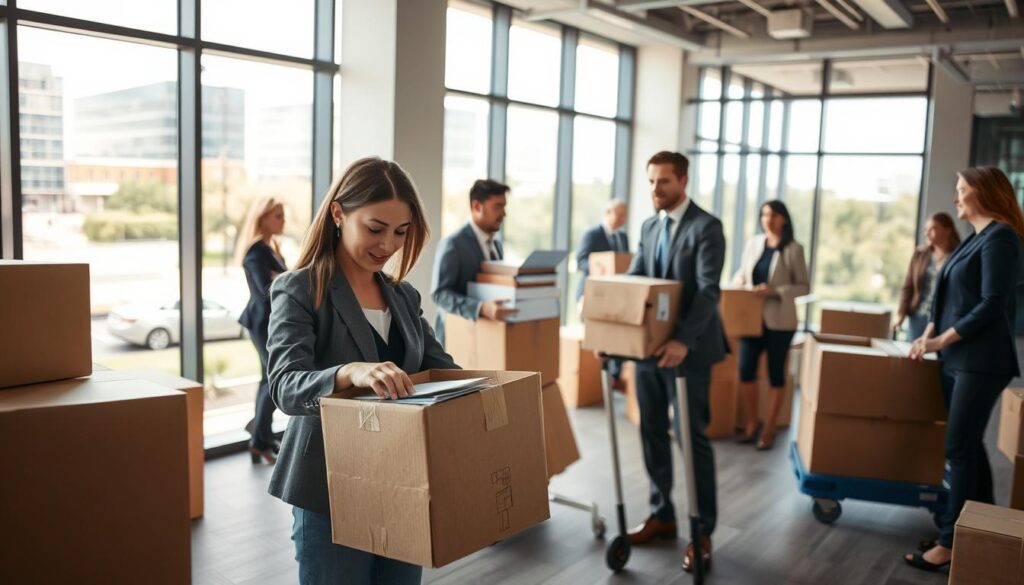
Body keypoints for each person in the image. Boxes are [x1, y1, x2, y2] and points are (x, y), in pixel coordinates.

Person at [266, 157, 458, 584]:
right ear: (338, 213)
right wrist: (349, 372)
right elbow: (284, 386)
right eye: (375, 228)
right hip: (330, 490)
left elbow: (444, 371)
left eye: (400, 232)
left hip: (402, 482)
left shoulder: (403, 296)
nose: (388, 244)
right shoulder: (299, 289)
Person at [905, 166, 1024, 573]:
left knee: (958, 447)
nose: (955, 198)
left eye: (961, 190)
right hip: (958, 360)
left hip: (981, 362)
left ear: (983, 193)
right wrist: (931, 334)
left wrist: (941, 340)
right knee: (970, 447)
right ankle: (984, 532)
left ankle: (950, 543)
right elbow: (949, 296)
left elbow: (991, 303)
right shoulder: (976, 239)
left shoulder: (1002, 237)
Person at [625, 151, 727, 574]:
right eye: (651, 182)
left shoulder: (707, 227)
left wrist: (683, 340)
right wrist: (610, 328)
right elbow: (635, 281)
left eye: (663, 182)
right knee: (651, 429)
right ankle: (663, 514)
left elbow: (707, 291)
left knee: (691, 438)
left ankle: (701, 531)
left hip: (689, 350)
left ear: (683, 181)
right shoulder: (650, 226)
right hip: (650, 350)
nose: (655, 189)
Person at [732, 200, 808, 451]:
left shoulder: (793, 249)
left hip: (780, 321)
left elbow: (804, 286)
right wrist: (739, 283)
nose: (768, 219)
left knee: (776, 374)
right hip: (751, 318)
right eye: (764, 214)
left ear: (783, 219)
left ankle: (770, 427)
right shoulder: (754, 244)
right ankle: (752, 422)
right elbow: (742, 272)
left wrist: (776, 291)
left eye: (773, 215)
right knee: (745, 370)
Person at [431, 179, 516, 346]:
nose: (504, 213)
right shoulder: (453, 244)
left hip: (486, 337)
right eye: (497, 206)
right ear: (477, 207)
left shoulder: (497, 245)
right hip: (456, 338)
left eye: (504, 206)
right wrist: (481, 308)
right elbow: (440, 294)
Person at [236, 196, 288, 464]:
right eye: (278, 215)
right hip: (261, 322)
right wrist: (283, 279)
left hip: (272, 322)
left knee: (267, 379)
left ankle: (259, 432)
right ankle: (260, 440)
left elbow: (280, 283)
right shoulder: (256, 251)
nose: (283, 221)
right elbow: (265, 290)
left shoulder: (272, 248)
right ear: (263, 218)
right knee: (272, 380)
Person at [893, 212, 961, 341]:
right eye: (926, 229)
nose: (927, 233)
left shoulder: (959, 255)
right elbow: (908, 287)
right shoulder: (920, 254)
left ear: (947, 231)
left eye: (933, 229)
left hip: (945, 320)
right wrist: (901, 315)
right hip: (918, 315)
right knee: (913, 356)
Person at [575, 198, 629, 302]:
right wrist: (598, 268)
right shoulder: (592, 234)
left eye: (624, 215)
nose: (623, 219)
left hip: (613, 294)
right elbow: (581, 261)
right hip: (592, 292)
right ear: (608, 213)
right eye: (619, 214)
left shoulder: (623, 237)